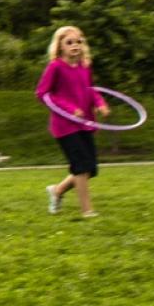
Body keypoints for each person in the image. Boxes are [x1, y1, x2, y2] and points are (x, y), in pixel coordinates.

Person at [38, 26, 109, 218]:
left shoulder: (84, 67)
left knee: (91, 169)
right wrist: (69, 109)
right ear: (60, 46)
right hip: (64, 126)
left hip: (85, 123)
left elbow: (90, 90)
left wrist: (100, 103)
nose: (75, 46)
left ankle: (57, 191)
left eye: (78, 41)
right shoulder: (55, 67)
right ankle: (87, 210)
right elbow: (42, 93)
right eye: (69, 42)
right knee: (81, 166)